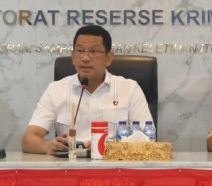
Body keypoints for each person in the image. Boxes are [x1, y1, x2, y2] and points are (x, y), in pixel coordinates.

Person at [22, 25, 152, 154]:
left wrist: (108, 148)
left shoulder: (129, 89)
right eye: (80, 51)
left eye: (94, 52)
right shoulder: (55, 90)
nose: (85, 58)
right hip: (69, 164)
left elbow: (147, 141)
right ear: (73, 57)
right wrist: (47, 146)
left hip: (113, 163)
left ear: (108, 58)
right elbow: (28, 140)